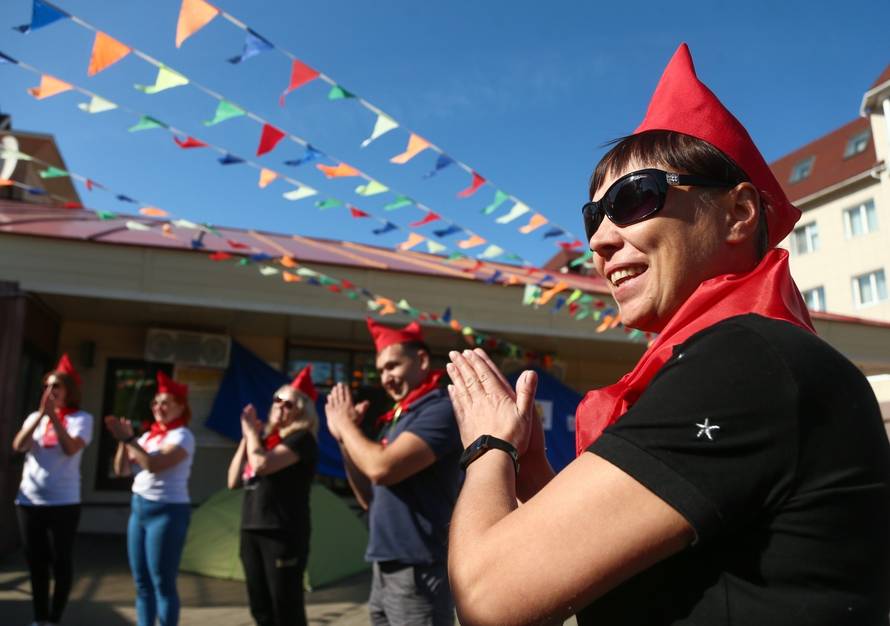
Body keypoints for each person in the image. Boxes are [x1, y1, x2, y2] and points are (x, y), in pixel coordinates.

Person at [444, 43, 890, 626]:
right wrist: (534, 478)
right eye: (593, 216)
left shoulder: (747, 361)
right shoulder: (749, 358)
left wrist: (486, 447)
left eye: (635, 199)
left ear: (738, 213)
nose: (600, 240)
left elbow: (488, 599)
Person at [325, 318, 462, 626]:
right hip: (385, 562)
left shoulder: (439, 409)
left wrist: (346, 426)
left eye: (393, 366)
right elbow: (368, 497)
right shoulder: (397, 418)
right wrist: (344, 440)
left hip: (419, 566)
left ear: (422, 360)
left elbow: (380, 467)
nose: (385, 378)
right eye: (381, 370)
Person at [226, 365, 319, 626]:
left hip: (282, 532)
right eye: (277, 400)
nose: (280, 406)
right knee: (261, 606)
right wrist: (249, 438)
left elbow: (262, 465)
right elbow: (233, 480)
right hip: (252, 529)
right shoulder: (264, 441)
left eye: (288, 403)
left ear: (302, 409)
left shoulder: (302, 439)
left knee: (285, 607)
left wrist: (251, 435)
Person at [104, 371, 195, 626]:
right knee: (141, 582)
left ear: (180, 407)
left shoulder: (183, 436)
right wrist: (124, 441)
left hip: (167, 512)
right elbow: (121, 470)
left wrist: (129, 438)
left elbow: (153, 464)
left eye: (165, 402)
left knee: (162, 582)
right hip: (140, 509)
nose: (158, 407)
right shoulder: (148, 436)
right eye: (156, 402)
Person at [12, 354, 93, 626]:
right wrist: (40, 418)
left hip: (64, 502)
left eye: (56, 386)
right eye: (47, 386)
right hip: (29, 501)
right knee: (36, 563)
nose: (50, 391)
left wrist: (55, 419)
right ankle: (40, 618)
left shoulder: (82, 419)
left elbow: (71, 448)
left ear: (69, 390)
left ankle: (55, 618)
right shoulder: (35, 416)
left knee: (61, 561)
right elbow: (19, 445)